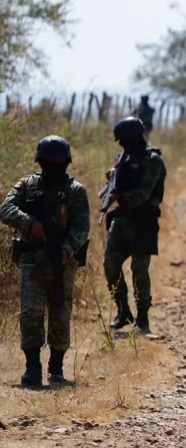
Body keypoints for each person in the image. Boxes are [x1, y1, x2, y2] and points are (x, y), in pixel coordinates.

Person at [0, 136, 90, 387]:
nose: (53, 165)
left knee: (60, 310)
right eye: (48, 161)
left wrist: (66, 249)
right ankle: (32, 367)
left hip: (62, 260)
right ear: (40, 161)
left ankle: (57, 368)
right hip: (31, 258)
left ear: (66, 162)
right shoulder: (27, 185)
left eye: (58, 162)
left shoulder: (75, 191)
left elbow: (82, 227)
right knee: (30, 312)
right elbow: (5, 209)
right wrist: (30, 224)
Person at [103, 117, 167, 334]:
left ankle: (142, 318)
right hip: (121, 221)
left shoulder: (153, 160)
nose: (121, 145)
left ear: (134, 138)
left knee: (139, 271)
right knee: (110, 266)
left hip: (143, 222)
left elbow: (143, 194)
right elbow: (123, 177)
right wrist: (113, 176)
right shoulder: (123, 157)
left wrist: (120, 196)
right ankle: (123, 312)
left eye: (123, 141)